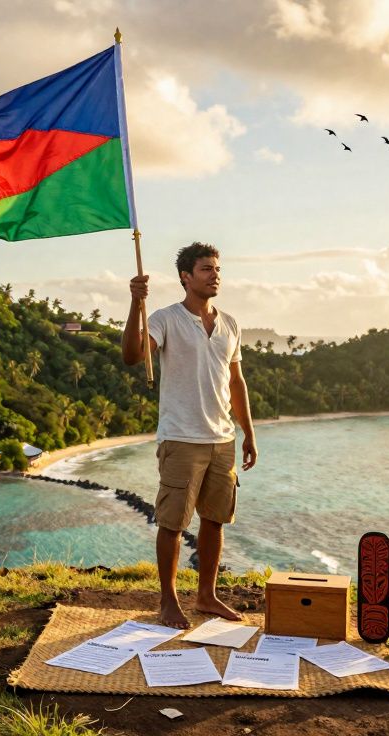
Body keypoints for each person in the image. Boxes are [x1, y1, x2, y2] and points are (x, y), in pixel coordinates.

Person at [122, 241, 257, 628]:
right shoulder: (165, 318)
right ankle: (168, 601)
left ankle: (206, 596)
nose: (215, 275)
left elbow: (237, 382)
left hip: (222, 439)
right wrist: (136, 304)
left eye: (217, 269)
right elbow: (132, 355)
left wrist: (248, 432)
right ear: (185, 276)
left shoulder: (231, 323)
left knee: (215, 521)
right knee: (173, 524)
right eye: (206, 269)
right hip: (181, 438)